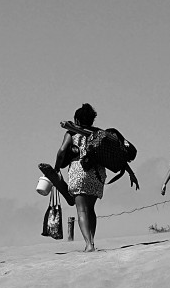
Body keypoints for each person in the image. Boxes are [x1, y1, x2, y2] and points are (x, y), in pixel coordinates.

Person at [55, 104, 139, 252]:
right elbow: (116, 155)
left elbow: (62, 151)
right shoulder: (100, 133)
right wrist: (131, 173)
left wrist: (56, 168)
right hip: (98, 174)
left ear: (76, 119)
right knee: (91, 209)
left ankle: (88, 244)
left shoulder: (71, 133)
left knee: (81, 210)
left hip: (79, 171)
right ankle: (92, 241)